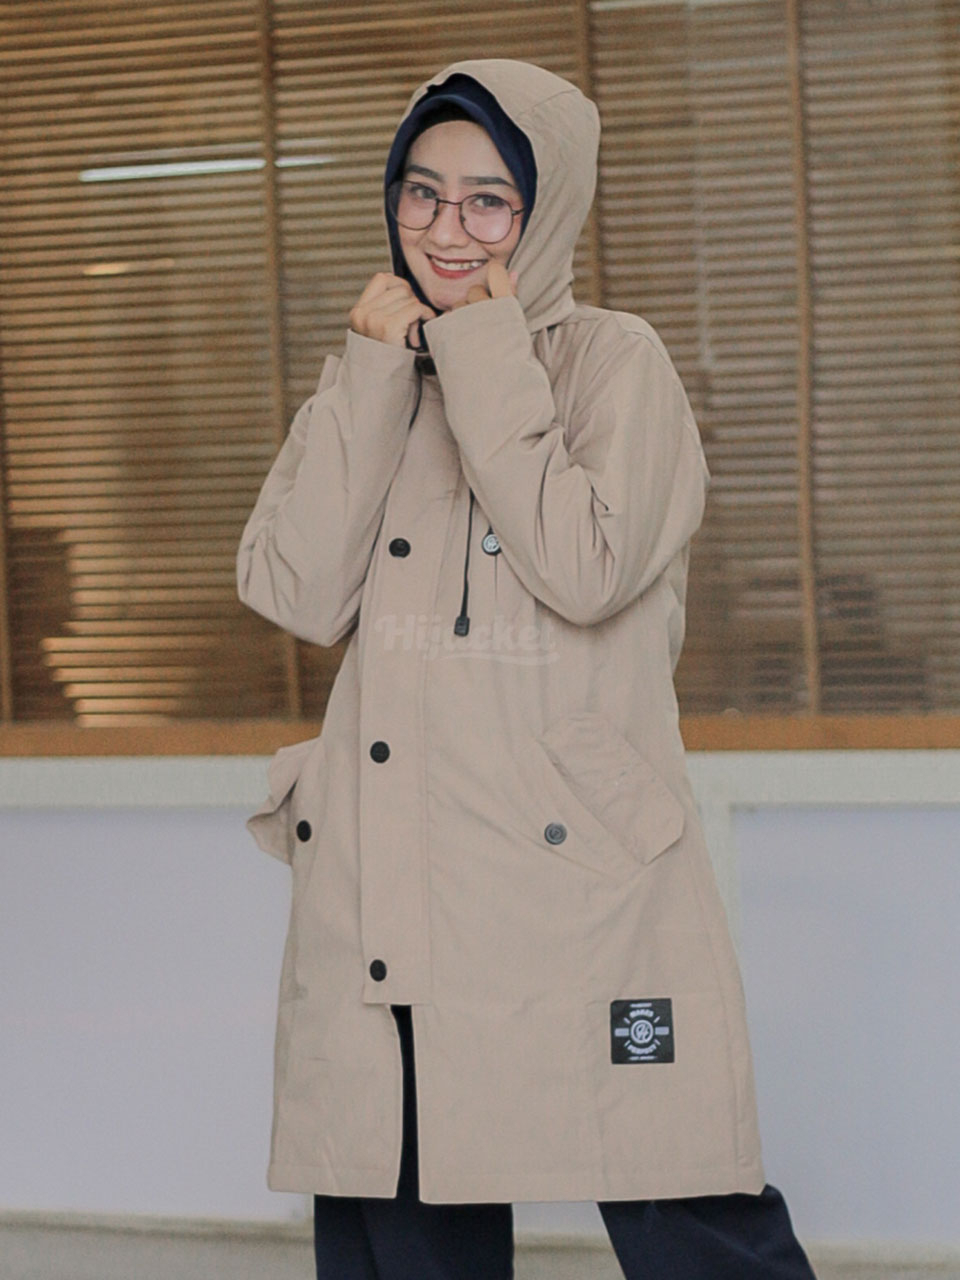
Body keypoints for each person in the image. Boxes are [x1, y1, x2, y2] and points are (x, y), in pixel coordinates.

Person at [237, 58, 819, 1280]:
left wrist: (487, 351)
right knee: (402, 1213)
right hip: (395, 871)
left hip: (576, 878)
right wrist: (372, 378)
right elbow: (295, 593)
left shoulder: (617, 362)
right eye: (421, 191)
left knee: (683, 1198)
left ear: (546, 211)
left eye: (489, 200)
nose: (447, 228)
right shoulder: (371, 369)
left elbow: (587, 566)